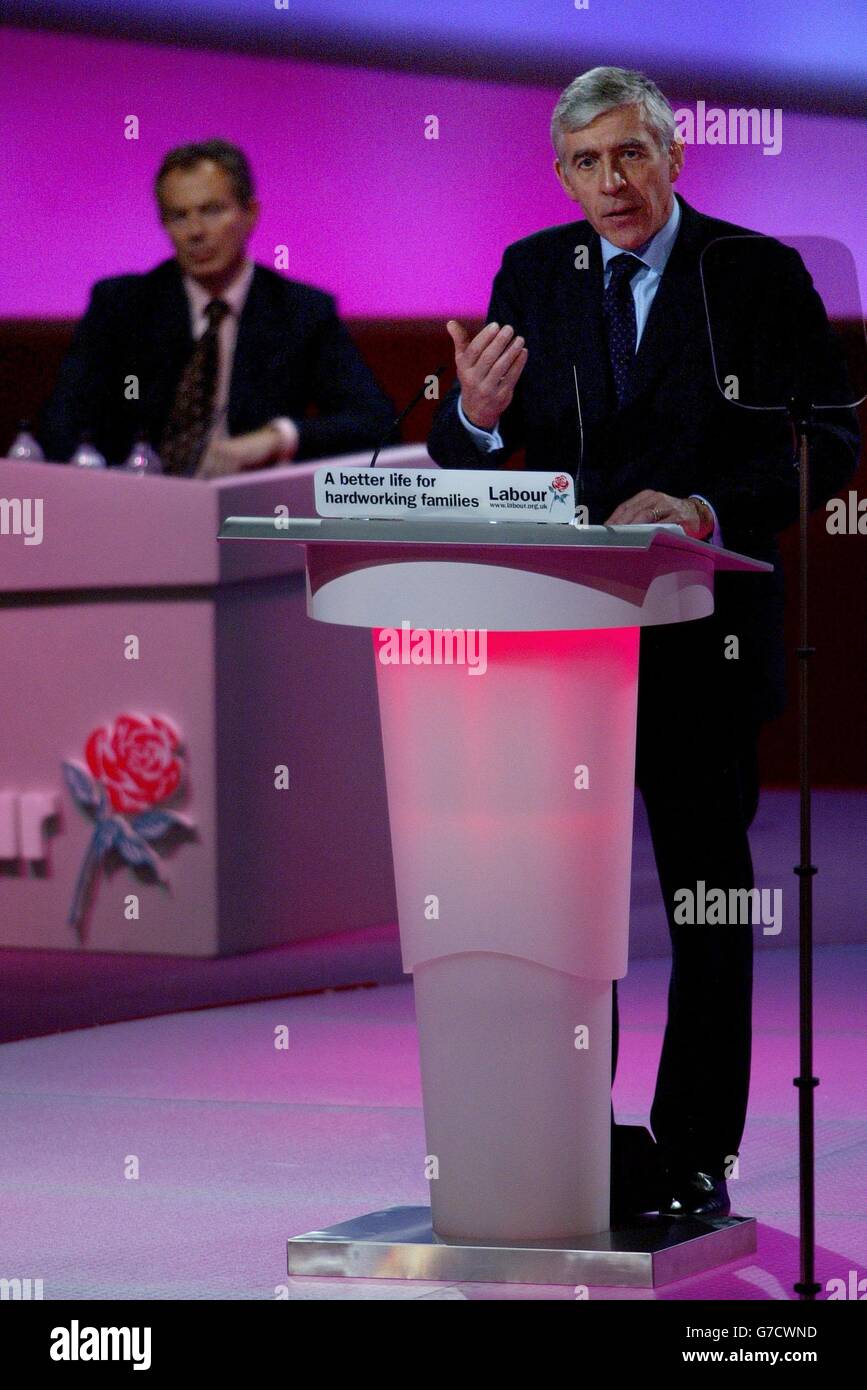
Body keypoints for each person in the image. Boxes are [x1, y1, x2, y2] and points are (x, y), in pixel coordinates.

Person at [427, 66, 860, 1218]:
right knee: (560, 909)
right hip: (558, 648)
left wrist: (704, 509)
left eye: (629, 155)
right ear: (562, 174)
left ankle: (696, 1153)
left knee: (706, 904)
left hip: (701, 637)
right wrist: (469, 415)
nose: (610, 182)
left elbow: (829, 440)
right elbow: (468, 449)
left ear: (675, 156)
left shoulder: (756, 274)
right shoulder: (534, 272)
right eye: (586, 162)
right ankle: (574, 1137)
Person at [38, 139, 394, 476]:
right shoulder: (121, 306)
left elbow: (376, 422)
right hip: (132, 506)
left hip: (248, 511)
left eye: (211, 210)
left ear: (250, 213)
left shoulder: (300, 312)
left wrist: (276, 438)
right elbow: (62, 423)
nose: (195, 231)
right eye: (179, 216)